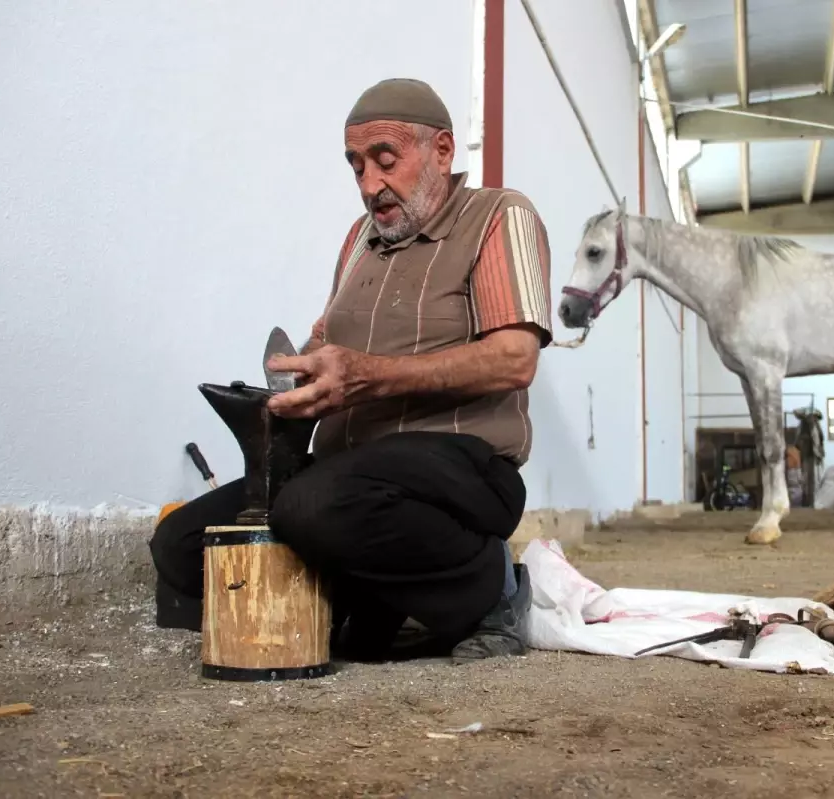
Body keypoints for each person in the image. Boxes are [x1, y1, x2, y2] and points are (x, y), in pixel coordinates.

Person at [149, 78, 553, 664]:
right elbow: (332, 343)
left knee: (313, 508)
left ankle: (492, 587)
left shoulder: (496, 214)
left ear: (442, 150)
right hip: (351, 476)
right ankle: (371, 596)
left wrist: (368, 376)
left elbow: (516, 358)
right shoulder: (359, 240)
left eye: (385, 161)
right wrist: (298, 381)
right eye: (356, 166)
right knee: (185, 544)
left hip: (462, 470)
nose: (369, 185)